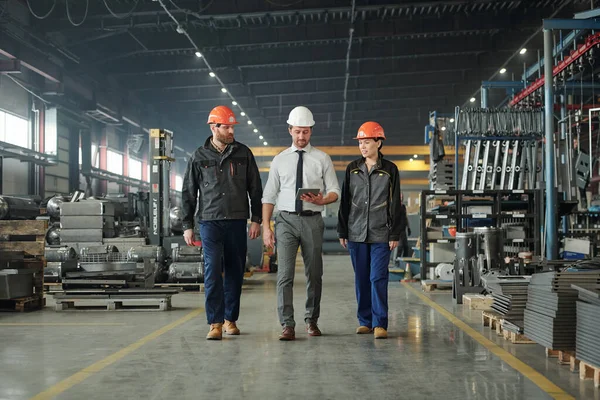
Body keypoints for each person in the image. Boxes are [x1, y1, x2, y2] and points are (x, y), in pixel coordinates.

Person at [181, 105, 263, 340]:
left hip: (237, 221)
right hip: (210, 222)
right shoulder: (199, 156)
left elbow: (255, 189)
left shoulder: (243, 154)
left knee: (236, 271)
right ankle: (215, 323)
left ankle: (230, 320)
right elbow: (188, 192)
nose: (230, 131)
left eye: (231, 127)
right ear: (213, 127)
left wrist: (256, 219)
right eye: (225, 127)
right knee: (212, 270)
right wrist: (187, 224)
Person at [262, 106, 340, 341]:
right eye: (297, 132)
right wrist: (266, 227)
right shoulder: (279, 160)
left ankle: (311, 320)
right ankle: (287, 324)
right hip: (285, 220)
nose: (301, 137)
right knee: (284, 275)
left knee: (314, 274)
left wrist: (323, 199)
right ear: (290, 130)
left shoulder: (322, 158)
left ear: (311, 131)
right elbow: (268, 196)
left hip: (312, 221)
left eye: (305, 132)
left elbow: (335, 189)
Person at [337, 121, 404, 339]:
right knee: (361, 279)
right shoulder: (352, 169)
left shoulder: (390, 170)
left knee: (378, 277)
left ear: (379, 142)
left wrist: (395, 233)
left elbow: (395, 203)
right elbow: (345, 202)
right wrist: (342, 231)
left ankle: (380, 323)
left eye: (367, 142)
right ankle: (365, 321)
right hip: (356, 233)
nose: (363, 147)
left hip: (381, 233)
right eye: (361, 143)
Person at [399, 193, 412, 258]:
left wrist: (408, 228)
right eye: (400, 197)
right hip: (398, 231)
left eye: (402, 197)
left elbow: (406, 217)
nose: (401, 198)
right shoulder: (395, 206)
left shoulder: (403, 207)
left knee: (406, 247)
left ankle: (404, 261)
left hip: (403, 230)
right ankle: (396, 261)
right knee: (400, 246)